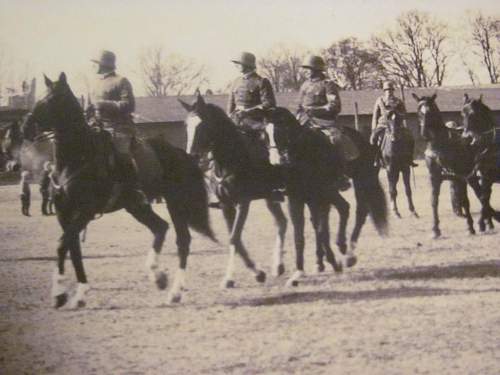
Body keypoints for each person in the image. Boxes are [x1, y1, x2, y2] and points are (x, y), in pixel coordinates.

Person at [88, 50, 147, 205]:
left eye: (96, 64)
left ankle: (136, 189)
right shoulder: (94, 84)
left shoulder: (121, 81)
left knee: (122, 152)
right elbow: (91, 108)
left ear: (104, 64)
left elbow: (129, 105)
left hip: (120, 127)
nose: (93, 66)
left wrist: (103, 104)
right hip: (98, 126)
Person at [224, 51, 283, 201]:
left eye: (239, 64)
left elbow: (269, 104)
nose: (237, 66)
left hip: (256, 122)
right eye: (236, 64)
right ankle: (221, 184)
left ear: (247, 65)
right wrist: (230, 118)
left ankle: (273, 183)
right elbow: (230, 107)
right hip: (237, 122)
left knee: (268, 144)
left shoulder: (261, 81)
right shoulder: (235, 83)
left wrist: (250, 110)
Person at [297, 55, 351, 191]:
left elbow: (334, 106)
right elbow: (299, 106)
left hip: (325, 121)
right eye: (305, 69)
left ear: (317, 69)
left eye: (308, 68)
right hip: (305, 121)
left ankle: (341, 174)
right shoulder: (304, 85)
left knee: (336, 139)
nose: (306, 71)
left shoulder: (328, 84)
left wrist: (314, 110)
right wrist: (298, 116)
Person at [371, 81, 417, 167]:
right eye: (387, 90)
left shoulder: (398, 101)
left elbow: (405, 114)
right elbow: (375, 116)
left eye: (391, 90)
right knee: (373, 139)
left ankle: (410, 158)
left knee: (410, 137)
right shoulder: (379, 100)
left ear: (393, 91)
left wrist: (397, 113)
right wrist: (374, 129)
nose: (389, 92)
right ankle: (376, 158)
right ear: (384, 91)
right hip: (383, 125)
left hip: (397, 125)